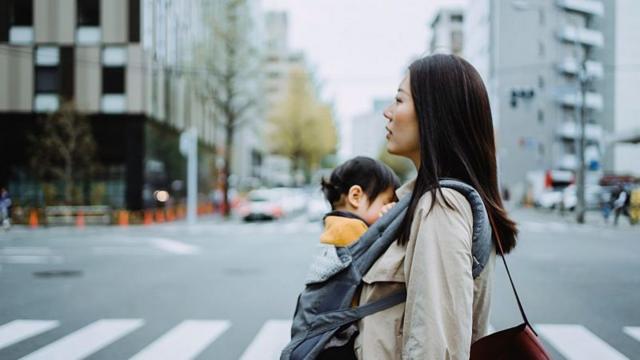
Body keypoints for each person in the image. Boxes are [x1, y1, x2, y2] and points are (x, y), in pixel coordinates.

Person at [354, 54, 518, 359]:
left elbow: (435, 347)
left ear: (434, 114)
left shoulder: (440, 207)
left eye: (399, 101)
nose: (388, 113)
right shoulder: (421, 201)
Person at [319, 156, 400, 247]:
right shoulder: (350, 229)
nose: (390, 209)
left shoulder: (334, 226)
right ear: (356, 196)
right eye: (385, 203)